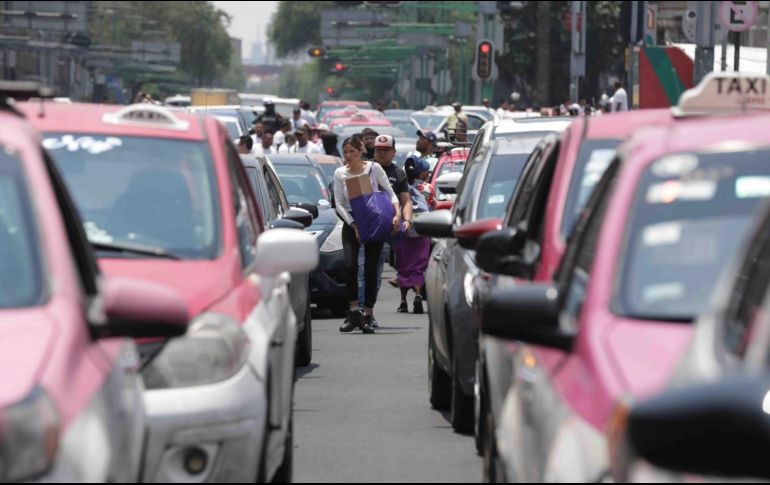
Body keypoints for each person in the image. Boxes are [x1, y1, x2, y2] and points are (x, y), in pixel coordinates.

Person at [333, 134, 401, 333]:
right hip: (351, 221)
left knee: (371, 269)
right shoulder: (339, 173)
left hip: (373, 221)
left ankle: (368, 314)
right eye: (345, 152)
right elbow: (338, 203)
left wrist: (396, 214)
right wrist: (353, 225)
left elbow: (390, 192)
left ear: (361, 150)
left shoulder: (373, 169)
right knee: (349, 265)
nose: (348, 156)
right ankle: (353, 311)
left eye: (352, 152)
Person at [396, 156, 433, 314]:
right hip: (423, 229)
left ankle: (403, 301)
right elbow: (433, 205)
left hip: (404, 227)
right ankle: (418, 294)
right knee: (419, 264)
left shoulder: (400, 186)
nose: (429, 174)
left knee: (403, 264)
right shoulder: (427, 188)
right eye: (427, 171)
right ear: (421, 173)